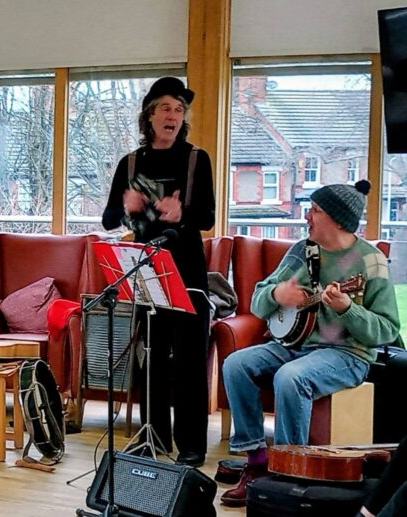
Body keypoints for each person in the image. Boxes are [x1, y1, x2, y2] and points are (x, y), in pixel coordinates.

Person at [219, 180, 401, 507]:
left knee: (291, 377)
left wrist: (348, 309)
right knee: (236, 364)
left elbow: (387, 330)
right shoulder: (302, 251)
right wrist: (278, 294)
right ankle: (257, 463)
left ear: (337, 219)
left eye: (315, 210)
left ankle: (287, 475)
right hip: (294, 344)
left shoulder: (370, 262)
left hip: (347, 354)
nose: (307, 217)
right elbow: (260, 300)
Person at [101, 76, 215, 467]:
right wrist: (128, 206)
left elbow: (208, 217)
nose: (173, 115)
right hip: (146, 272)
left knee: (188, 360)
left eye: (179, 110)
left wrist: (182, 213)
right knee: (150, 357)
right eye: (165, 108)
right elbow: (108, 220)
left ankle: (192, 445)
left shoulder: (196, 159)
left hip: (187, 272)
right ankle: (153, 437)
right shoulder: (131, 163)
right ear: (150, 115)